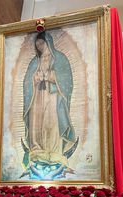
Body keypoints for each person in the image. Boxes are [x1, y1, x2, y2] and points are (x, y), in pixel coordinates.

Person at [22, 31, 77, 179]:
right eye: (37, 44)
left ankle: (54, 151)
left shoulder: (59, 58)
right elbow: (27, 81)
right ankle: (37, 149)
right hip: (37, 96)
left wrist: (52, 76)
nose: (40, 46)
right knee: (37, 123)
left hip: (53, 96)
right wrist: (34, 79)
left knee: (51, 122)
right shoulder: (35, 62)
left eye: (42, 43)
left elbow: (67, 79)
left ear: (48, 42)